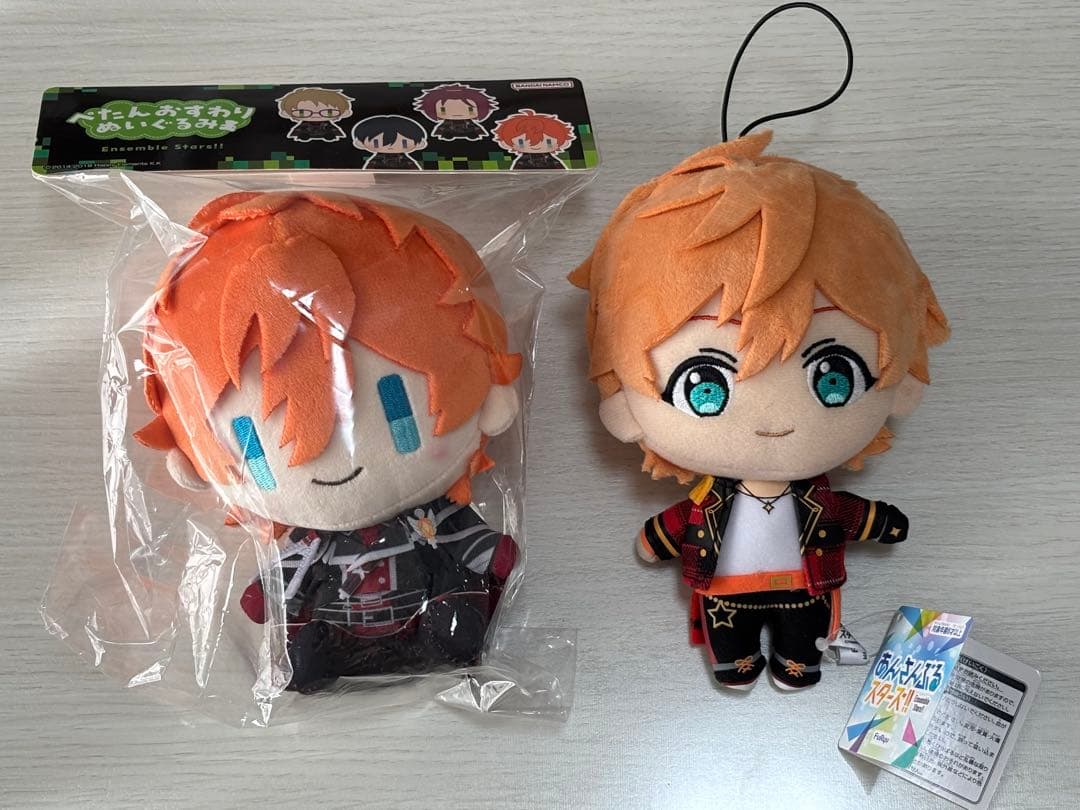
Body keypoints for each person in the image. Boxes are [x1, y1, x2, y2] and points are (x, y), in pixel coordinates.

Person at [569, 131, 949, 690]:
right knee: (733, 647)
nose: (774, 423)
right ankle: (737, 661)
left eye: (836, 377)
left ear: (901, 380)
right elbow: (678, 524)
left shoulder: (808, 501)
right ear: (624, 399)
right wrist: (655, 538)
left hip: (804, 589)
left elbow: (847, 514)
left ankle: (798, 662)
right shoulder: (711, 501)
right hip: (726, 596)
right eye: (705, 385)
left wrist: (881, 523)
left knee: (802, 642)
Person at [136, 191, 522, 691]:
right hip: (339, 626)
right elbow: (287, 578)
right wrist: (266, 593)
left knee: (454, 621)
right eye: (254, 445)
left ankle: (442, 640)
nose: (328, 460)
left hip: (422, 614)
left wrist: (491, 553)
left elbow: (466, 540)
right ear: (192, 460)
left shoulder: (429, 518)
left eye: (397, 410)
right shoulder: (312, 540)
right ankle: (319, 659)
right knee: (306, 652)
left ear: (490, 398)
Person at [412, 83, 498, 141]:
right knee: (447, 132)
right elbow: (441, 128)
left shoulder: (468, 122)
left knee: (471, 131)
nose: (457, 113)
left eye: (470, 109)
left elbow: (476, 127)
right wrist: (438, 133)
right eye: (443, 110)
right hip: (450, 132)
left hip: (468, 131)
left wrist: (479, 132)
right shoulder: (447, 122)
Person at [276, 87, 354, 142]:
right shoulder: (304, 124)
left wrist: (334, 133)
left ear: (344, 112)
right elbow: (297, 131)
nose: (315, 115)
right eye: (302, 112)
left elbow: (334, 130)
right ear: (286, 113)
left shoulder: (327, 124)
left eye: (329, 112)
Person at [351, 115, 428, 170]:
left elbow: (414, 171)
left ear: (419, 144)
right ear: (361, 143)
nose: (390, 147)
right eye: (376, 143)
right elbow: (369, 170)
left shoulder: (406, 159)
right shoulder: (376, 159)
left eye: (404, 143)